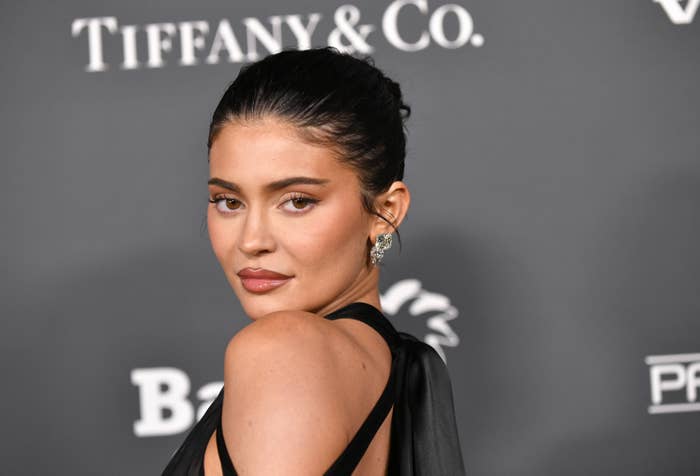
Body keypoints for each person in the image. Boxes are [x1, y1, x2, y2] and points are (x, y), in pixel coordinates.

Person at [162, 46, 466, 475]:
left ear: (386, 212)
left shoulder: (283, 349)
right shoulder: (391, 367)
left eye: (297, 201)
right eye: (228, 201)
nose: (252, 240)